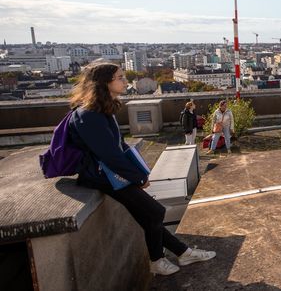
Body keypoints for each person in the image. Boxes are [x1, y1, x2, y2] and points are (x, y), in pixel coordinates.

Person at [67, 62, 216, 276]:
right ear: (104, 83)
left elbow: (117, 146)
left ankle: (183, 253)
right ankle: (157, 260)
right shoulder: (89, 114)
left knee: (149, 216)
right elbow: (110, 154)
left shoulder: (99, 108)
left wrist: (139, 172)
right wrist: (138, 177)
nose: (125, 81)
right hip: (102, 176)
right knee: (155, 212)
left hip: (108, 173)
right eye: (120, 77)